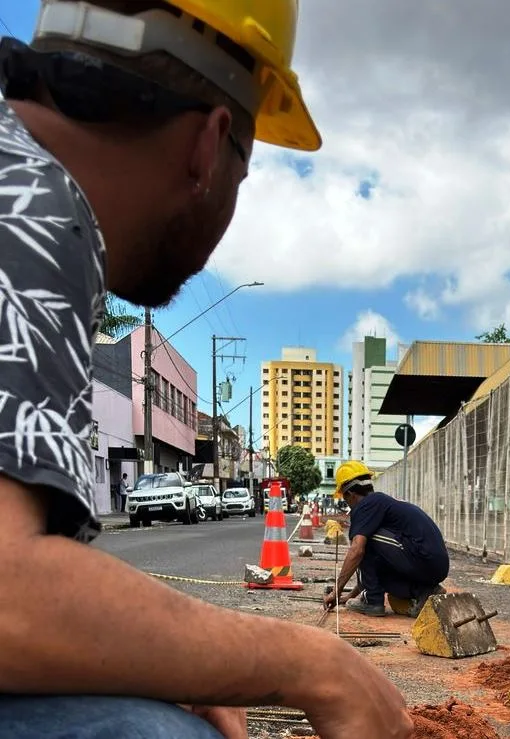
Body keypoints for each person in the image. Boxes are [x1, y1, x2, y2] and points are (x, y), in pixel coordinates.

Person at [0, 2, 413, 738]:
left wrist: (174, 661)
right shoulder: (32, 208)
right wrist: (311, 662)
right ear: (210, 142)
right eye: (244, 174)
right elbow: (9, 593)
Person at [323, 462, 449, 618]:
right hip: (431, 564)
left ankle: (372, 602)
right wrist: (350, 596)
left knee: (362, 542)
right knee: (374, 560)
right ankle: (425, 592)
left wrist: (337, 591)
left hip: (423, 558)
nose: (346, 502)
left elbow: (357, 552)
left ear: (350, 494)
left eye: (344, 497)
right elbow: (369, 570)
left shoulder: (365, 506)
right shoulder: (379, 503)